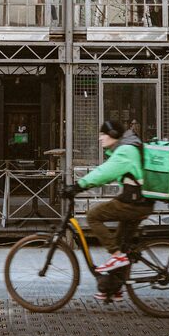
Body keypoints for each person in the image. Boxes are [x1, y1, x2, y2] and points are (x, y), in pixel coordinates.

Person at [63, 119, 153, 301]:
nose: (100, 138)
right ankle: (112, 288)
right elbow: (108, 173)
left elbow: (105, 172)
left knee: (94, 215)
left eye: (103, 134)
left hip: (133, 203)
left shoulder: (126, 150)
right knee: (121, 245)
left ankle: (116, 257)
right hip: (138, 202)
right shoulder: (127, 147)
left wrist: (79, 185)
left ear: (112, 135)